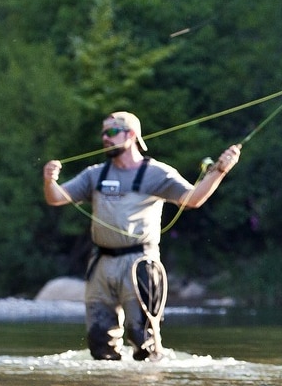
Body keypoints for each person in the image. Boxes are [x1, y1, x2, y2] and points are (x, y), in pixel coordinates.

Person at [43, 111, 242, 361]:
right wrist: (50, 181)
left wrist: (220, 170)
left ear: (132, 135)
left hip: (140, 263)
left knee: (143, 340)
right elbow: (57, 198)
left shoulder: (156, 173)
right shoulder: (95, 174)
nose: (105, 137)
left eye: (113, 132)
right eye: (104, 132)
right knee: (99, 343)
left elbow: (193, 199)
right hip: (101, 264)